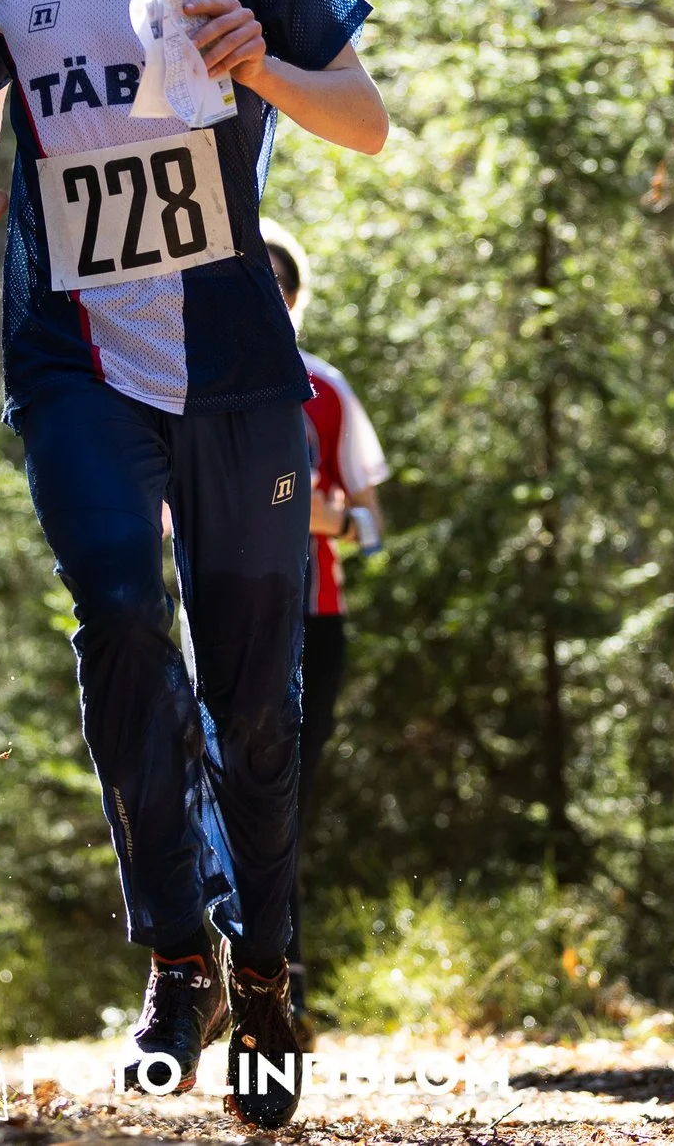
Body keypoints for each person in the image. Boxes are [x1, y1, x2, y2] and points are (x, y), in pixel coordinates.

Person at [0, 0, 387, 1128]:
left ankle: (270, 970)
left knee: (256, 695)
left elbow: (363, 122)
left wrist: (265, 68)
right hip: (72, 351)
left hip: (235, 357)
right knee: (118, 619)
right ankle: (176, 950)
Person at [260, 223, 390, 1052]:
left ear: (297, 295)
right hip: (224, 616)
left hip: (316, 621)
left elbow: (374, 523)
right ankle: (214, 981)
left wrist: (328, 515)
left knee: (287, 803)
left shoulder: (326, 387)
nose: (266, 290)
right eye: (250, 274)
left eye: (278, 279)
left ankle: (285, 994)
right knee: (225, 795)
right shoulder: (191, 378)